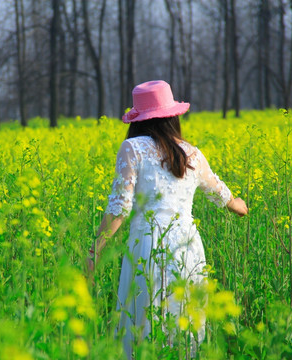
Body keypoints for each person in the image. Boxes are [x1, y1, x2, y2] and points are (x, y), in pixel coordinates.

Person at [86, 80, 248, 358]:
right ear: (173, 116)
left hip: (148, 245)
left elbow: (120, 209)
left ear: (139, 119)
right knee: (185, 323)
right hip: (188, 246)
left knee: (145, 321)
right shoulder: (192, 153)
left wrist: (95, 251)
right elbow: (227, 199)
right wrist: (240, 205)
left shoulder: (132, 148)